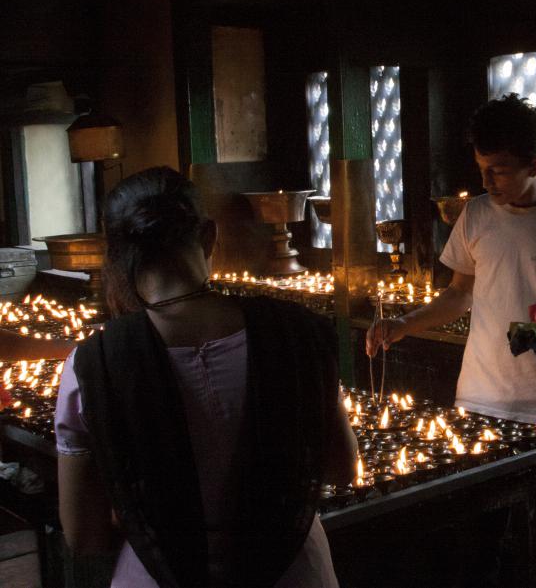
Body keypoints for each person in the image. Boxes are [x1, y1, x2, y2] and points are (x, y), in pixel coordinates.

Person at [56, 166, 357, 588]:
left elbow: (84, 536)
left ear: (118, 254)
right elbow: (342, 468)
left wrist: (145, 513)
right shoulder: (299, 333)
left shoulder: (93, 365)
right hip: (293, 571)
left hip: (157, 576)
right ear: (209, 236)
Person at [367, 94, 536, 586]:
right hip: (480, 403)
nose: (486, 182)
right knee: (477, 550)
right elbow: (458, 296)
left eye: (499, 171)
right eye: (482, 169)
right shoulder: (477, 216)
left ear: (535, 164)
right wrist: (402, 325)